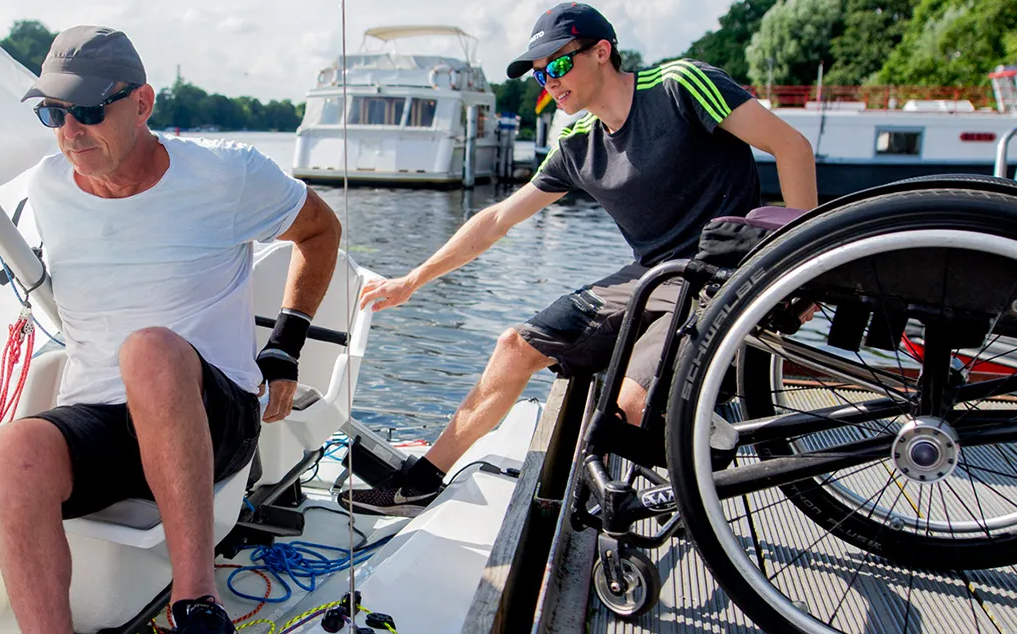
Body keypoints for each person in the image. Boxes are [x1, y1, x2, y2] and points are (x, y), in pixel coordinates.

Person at [347, 2, 815, 515]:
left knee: (632, 406)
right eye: (540, 73)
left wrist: (799, 270)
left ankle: (704, 450)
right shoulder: (575, 143)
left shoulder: (681, 86)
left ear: (601, 52)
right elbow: (497, 220)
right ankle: (421, 482)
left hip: (720, 274)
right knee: (514, 346)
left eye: (559, 64)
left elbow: (791, 148)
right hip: (652, 276)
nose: (549, 80)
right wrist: (414, 278)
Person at [0, 26, 345, 634]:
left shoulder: (227, 175)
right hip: (106, 417)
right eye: (53, 112)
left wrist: (285, 347)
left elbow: (321, 231)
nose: (70, 130)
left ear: (143, 103)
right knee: (17, 448)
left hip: (214, 414)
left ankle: (196, 609)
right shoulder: (43, 186)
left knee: (148, 352)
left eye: (89, 110)